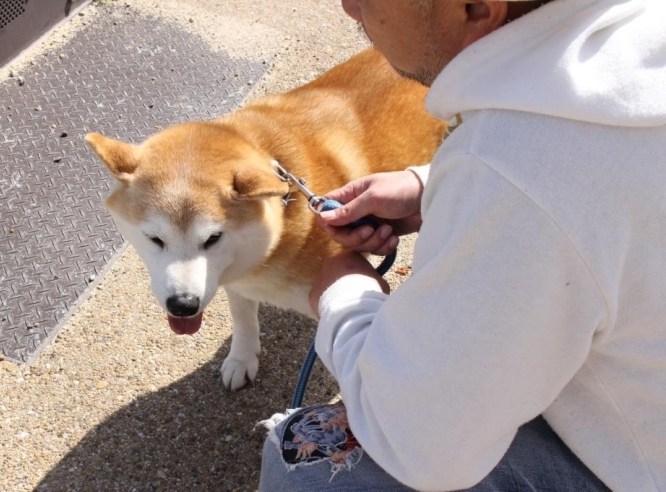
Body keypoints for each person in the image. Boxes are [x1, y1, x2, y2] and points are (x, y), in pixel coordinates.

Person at [258, 0, 666, 491]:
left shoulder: (516, 167)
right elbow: (589, 188)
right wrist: (436, 187)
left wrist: (343, 293)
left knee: (304, 460)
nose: (349, 7)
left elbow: (420, 440)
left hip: (633, 465)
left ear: (476, 8)